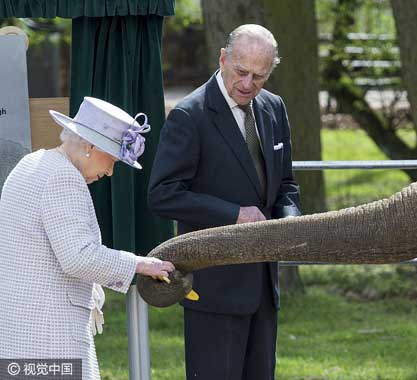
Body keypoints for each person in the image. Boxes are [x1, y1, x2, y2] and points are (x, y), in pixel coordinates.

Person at [148, 24, 301, 379]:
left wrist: (291, 218)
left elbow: (286, 184)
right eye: (241, 72)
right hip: (213, 290)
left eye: (259, 76)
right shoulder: (190, 115)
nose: (248, 84)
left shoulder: (274, 108)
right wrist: (233, 214)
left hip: (263, 287)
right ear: (222, 59)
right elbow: (163, 194)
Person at [0, 96, 175, 380]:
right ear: (91, 146)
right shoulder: (63, 177)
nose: (109, 172)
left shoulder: (31, 163)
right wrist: (140, 264)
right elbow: (79, 257)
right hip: (49, 335)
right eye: (113, 161)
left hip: (18, 331)